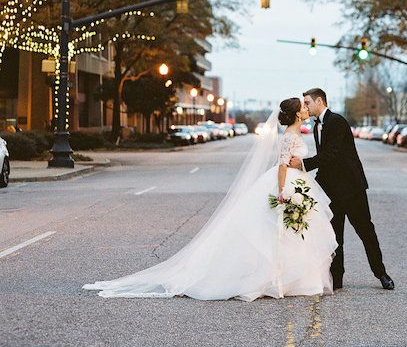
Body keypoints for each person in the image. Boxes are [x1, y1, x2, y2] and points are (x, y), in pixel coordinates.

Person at [83, 98, 337, 301]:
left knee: (291, 233)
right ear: (295, 114)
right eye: (303, 107)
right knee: (278, 232)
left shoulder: (297, 133)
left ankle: (292, 277)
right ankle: (277, 277)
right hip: (286, 185)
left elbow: (294, 163)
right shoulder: (290, 136)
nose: (306, 109)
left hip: (299, 183)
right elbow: (282, 166)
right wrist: (283, 192)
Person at [290, 88, 394, 291]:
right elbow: (327, 162)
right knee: (335, 236)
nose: (305, 107)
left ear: (319, 101)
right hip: (332, 191)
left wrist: (303, 164)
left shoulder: (337, 122)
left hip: (352, 188)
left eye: (308, 103)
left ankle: (381, 273)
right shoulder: (317, 126)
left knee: (366, 231)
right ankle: (337, 278)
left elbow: (332, 155)